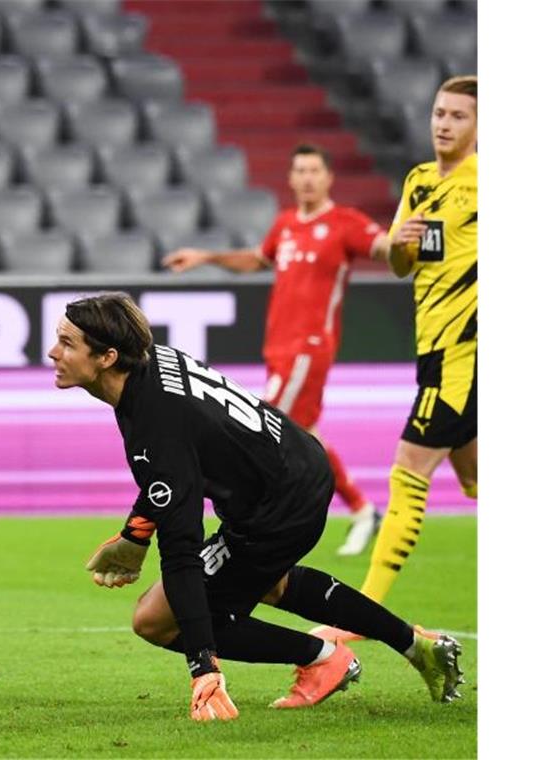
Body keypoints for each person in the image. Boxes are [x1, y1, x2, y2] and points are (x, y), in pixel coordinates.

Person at [49, 293, 463, 721]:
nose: (53, 351)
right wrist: (135, 535)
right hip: (299, 463)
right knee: (270, 582)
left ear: (106, 357)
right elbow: (170, 475)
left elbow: (181, 553)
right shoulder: (148, 363)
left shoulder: (157, 420)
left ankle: (323, 658)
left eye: (66, 343)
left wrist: (203, 669)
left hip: (278, 504)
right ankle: (417, 646)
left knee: (155, 619)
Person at [162, 145, 390, 556]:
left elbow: (385, 247)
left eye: (314, 170)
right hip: (279, 348)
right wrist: (206, 257)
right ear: (290, 178)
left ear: (328, 178)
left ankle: (253, 521)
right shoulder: (285, 224)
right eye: (299, 170)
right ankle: (362, 510)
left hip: (309, 348)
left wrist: (413, 239)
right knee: (305, 435)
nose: (306, 177)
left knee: (261, 428)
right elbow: (256, 260)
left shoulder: (344, 223)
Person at [347, 75, 478, 606]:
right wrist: (400, 243)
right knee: (476, 478)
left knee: (408, 468)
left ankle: (361, 610)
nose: (444, 124)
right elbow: (403, 265)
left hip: (463, 352)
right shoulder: (419, 180)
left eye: (458, 116)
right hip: (431, 346)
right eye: (439, 114)